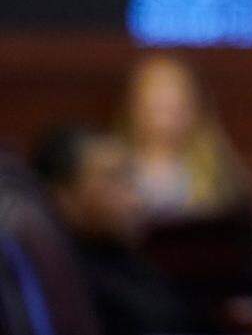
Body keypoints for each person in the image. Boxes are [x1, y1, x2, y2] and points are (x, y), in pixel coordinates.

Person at [31, 124, 207, 335]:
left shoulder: (129, 262)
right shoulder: (65, 286)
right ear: (62, 196)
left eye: (130, 178)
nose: (134, 200)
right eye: (113, 178)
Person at [118, 54, 247, 220]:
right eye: (157, 102)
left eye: (174, 103)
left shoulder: (219, 173)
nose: (166, 111)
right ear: (134, 105)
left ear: (194, 107)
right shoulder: (111, 169)